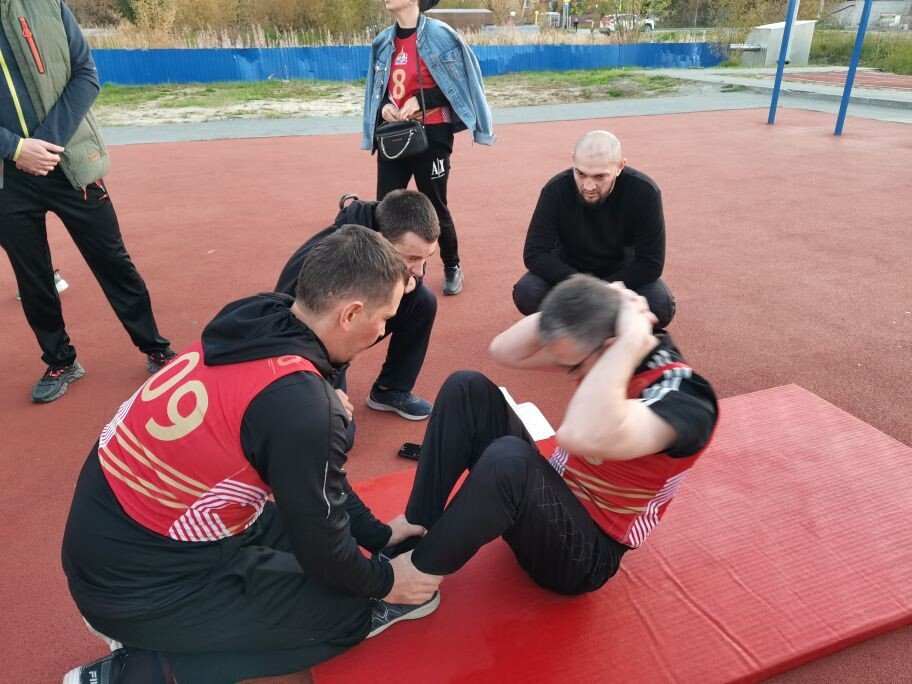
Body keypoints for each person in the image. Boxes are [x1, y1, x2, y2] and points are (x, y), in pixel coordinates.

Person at [61, 227, 442, 684]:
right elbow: (325, 550)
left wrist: (379, 535)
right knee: (348, 613)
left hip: (119, 535)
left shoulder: (261, 316)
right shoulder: (301, 407)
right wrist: (387, 583)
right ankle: (139, 672)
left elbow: (322, 492)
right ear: (351, 313)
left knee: (315, 543)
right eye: (383, 319)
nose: (382, 331)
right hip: (136, 585)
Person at [391, 275, 717, 596]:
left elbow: (579, 436)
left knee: (510, 461)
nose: (569, 373)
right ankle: (417, 526)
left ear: (610, 347)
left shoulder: (686, 400)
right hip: (546, 505)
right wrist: (590, 299)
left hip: (584, 557)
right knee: (466, 388)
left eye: (573, 367)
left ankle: (415, 578)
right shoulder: (605, 349)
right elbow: (504, 350)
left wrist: (628, 342)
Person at [0, 0, 174, 403]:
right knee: (33, 277)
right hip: (8, 177)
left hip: (69, 161)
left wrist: (46, 143)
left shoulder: (47, 6)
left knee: (113, 261)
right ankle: (60, 360)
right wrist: (16, 149)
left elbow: (85, 74)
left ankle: (155, 347)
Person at [363, 0, 495, 297]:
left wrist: (423, 101)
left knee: (435, 206)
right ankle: (388, 273)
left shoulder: (441, 35)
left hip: (432, 135)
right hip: (394, 135)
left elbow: (461, 86)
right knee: (385, 207)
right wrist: (384, 108)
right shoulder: (382, 42)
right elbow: (378, 91)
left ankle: (452, 265)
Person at [276, 189, 440, 420]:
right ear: (381, 239)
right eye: (412, 258)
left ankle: (390, 389)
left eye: (426, 257)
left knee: (422, 300)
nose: (420, 270)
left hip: (348, 325)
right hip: (312, 339)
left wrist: (410, 279)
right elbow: (285, 325)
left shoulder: (393, 234)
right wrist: (318, 392)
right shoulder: (331, 257)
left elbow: (415, 274)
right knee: (337, 425)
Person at [513, 130, 676, 328]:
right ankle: (595, 325)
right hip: (569, 273)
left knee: (660, 305)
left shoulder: (644, 192)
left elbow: (651, 263)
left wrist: (603, 290)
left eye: (600, 176)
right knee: (528, 292)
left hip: (620, 274)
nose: (588, 186)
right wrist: (580, 284)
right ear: (573, 160)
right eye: (580, 173)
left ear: (620, 166)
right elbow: (535, 253)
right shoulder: (556, 190)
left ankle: (588, 323)